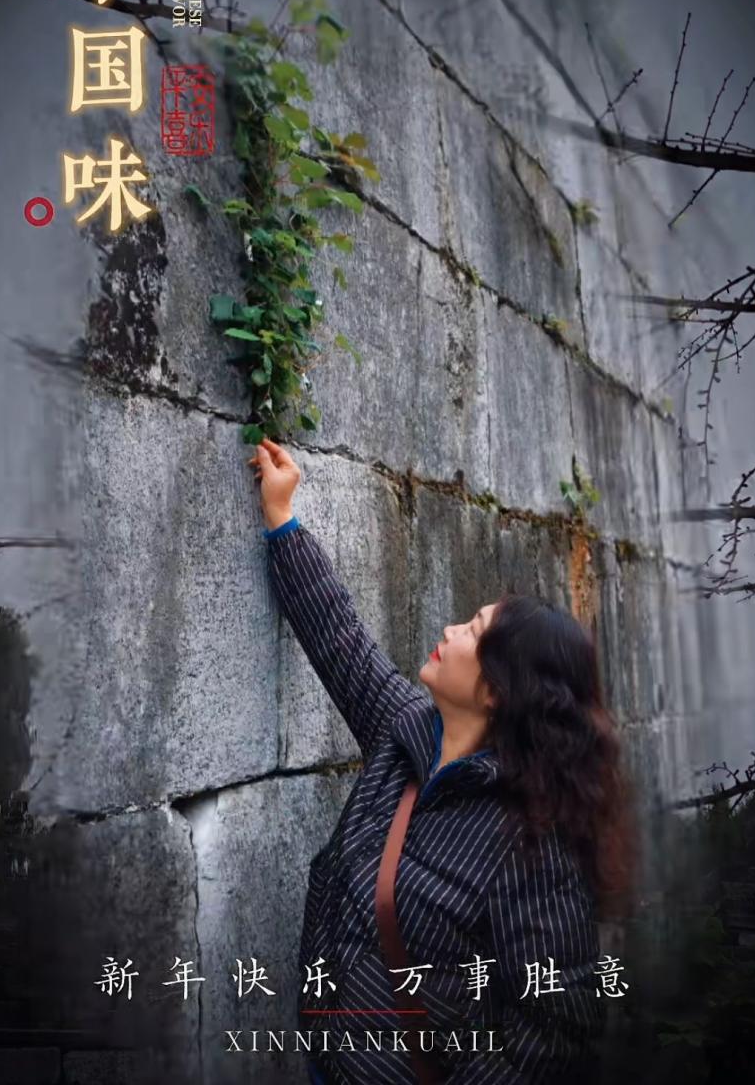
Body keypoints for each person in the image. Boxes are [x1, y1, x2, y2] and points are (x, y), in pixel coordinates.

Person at [248, 438, 639, 1084]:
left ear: (498, 689)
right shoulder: (404, 732)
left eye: (474, 631)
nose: (453, 630)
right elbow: (341, 639)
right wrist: (281, 518)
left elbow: (552, 1043)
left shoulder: (532, 846)